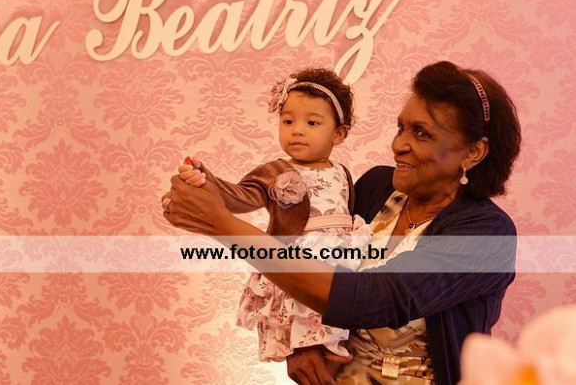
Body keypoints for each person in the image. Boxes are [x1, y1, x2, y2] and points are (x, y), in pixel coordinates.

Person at [162, 61, 522, 385]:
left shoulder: (487, 232)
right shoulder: (376, 186)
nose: (398, 144)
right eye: (401, 127)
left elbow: (373, 298)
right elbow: (313, 256)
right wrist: (304, 343)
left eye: (421, 133)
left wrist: (221, 225)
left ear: (473, 152)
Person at [173, 68, 372, 371]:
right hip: (300, 251)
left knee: (339, 296)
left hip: (339, 249)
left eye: (312, 123)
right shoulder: (275, 171)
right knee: (302, 304)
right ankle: (309, 346)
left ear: (339, 133)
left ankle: (335, 343)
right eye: (288, 121)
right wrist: (207, 181)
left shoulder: (342, 172)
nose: (297, 130)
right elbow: (240, 195)